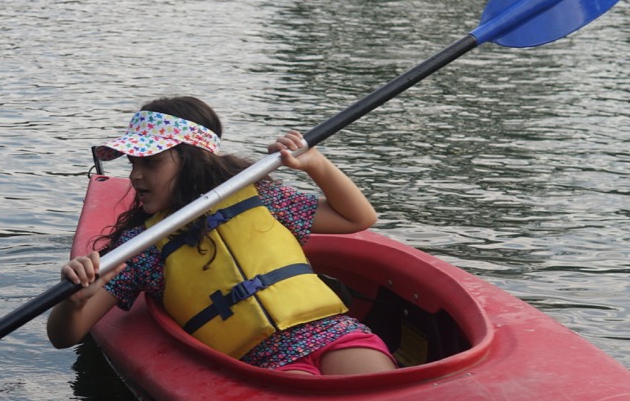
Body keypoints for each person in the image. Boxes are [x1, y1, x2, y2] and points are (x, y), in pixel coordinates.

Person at [47, 96, 397, 377]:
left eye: (150, 163)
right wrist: (73, 302)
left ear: (193, 159)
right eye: (133, 164)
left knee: (376, 388)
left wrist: (317, 165)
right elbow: (66, 337)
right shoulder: (142, 246)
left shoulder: (260, 197)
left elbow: (358, 218)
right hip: (263, 362)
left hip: (333, 331)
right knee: (308, 400)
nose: (136, 176)